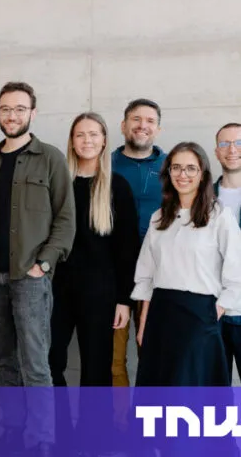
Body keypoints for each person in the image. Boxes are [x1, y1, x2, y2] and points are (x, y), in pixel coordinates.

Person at [0, 81, 75, 457]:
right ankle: (12, 433)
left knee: (36, 364)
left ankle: (41, 440)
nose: (12, 115)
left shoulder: (51, 158)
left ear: (32, 113)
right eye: (5, 108)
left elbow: (65, 220)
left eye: (20, 109)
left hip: (30, 279)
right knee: (4, 361)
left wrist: (43, 264)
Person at [47, 112, 138, 455]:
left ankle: (93, 438)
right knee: (50, 361)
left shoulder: (117, 186)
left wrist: (124, 300)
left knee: (97, 367)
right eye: (80, 135)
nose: (87, 140)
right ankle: (61, 436)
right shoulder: (59, 183)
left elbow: (128, 248)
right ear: (72, 141)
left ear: (104, 140)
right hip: (58, 290)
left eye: (94, 134)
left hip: (101, 291)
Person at [134, 142, 241, 385]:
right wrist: (143, 326)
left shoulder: (219, 216)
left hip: (199, 314)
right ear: (168, 172)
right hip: (160, 315)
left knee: (188, 392)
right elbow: (146, 276)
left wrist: (213, 314)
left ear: (202, 174)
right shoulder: (158, 217)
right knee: (158, 394)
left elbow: (237, 272)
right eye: (177, 168)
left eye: (191, 168)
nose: (183, 175)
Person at [110, 98, 167, 387]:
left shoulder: (173, 167)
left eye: (149, 121)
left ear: (158, 129)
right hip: (114, 272)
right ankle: (118, 425)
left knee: (152, 353)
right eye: (135, 119)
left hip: (158, 275)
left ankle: (150, 426)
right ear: (123, 125)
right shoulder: (105, 164)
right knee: (113, 358)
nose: (142, 126)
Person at [213, 123, 241, 382]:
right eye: (225, 143)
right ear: (216, 151)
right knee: (214, 394)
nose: (232, 149)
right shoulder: (203, 199)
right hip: (213, 313)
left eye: (238, 142)